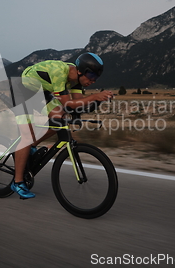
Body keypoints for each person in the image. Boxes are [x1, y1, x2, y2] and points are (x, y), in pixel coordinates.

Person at [10, 52, 113, 199]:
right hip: (23, 90)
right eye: (91, 76)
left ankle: (31, 147)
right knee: (27, 136)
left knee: (60, 118)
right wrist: (94, 96)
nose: (93, 81)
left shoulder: (77, 80)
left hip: (41, 92)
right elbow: (67, 103)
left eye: (96, 78)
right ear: (80, 71)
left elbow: (77, 105)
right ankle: (18, 182)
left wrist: (98, 101)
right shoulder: (60, 72)